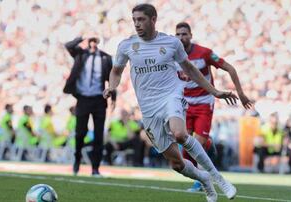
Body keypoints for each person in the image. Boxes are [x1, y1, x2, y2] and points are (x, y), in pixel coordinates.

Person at [103, 4, 237, 202]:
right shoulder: (126, 46)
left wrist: (214, 91)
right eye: (134, 20)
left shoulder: (172, 43)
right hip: (148, 107)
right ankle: (204, 179)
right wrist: (112, 87)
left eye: (141, 19)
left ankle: (219, 178)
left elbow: (190, 69)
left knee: (180, 134)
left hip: (171, 95)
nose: (137, 24)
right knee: (176, 164)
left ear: (153, 19)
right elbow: (116, 71)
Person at [175, 22, 253, 191]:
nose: (181, 38)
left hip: (204, 102)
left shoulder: (204, 53)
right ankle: (207, 149)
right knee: (185, 147)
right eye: (178, 35)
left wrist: (240, 93)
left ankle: (201, 182)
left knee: (197, 144)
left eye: (184, 34)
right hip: (184, 103)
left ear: (191, 35)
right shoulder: (173, 54)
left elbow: (230, 68)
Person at [64, 36, 114, 176]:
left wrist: (113, 97)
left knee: (99, 135)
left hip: (99, 100)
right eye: (90, 41)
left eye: (95, 41)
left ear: (98, 43)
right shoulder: (81, 54)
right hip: (83, 99)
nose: (92, 44)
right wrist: (81, 38)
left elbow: (112, 78)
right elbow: (68, 45)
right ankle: (77, 159)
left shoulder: (106, 58)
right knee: (80, 133)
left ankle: (95, 168)